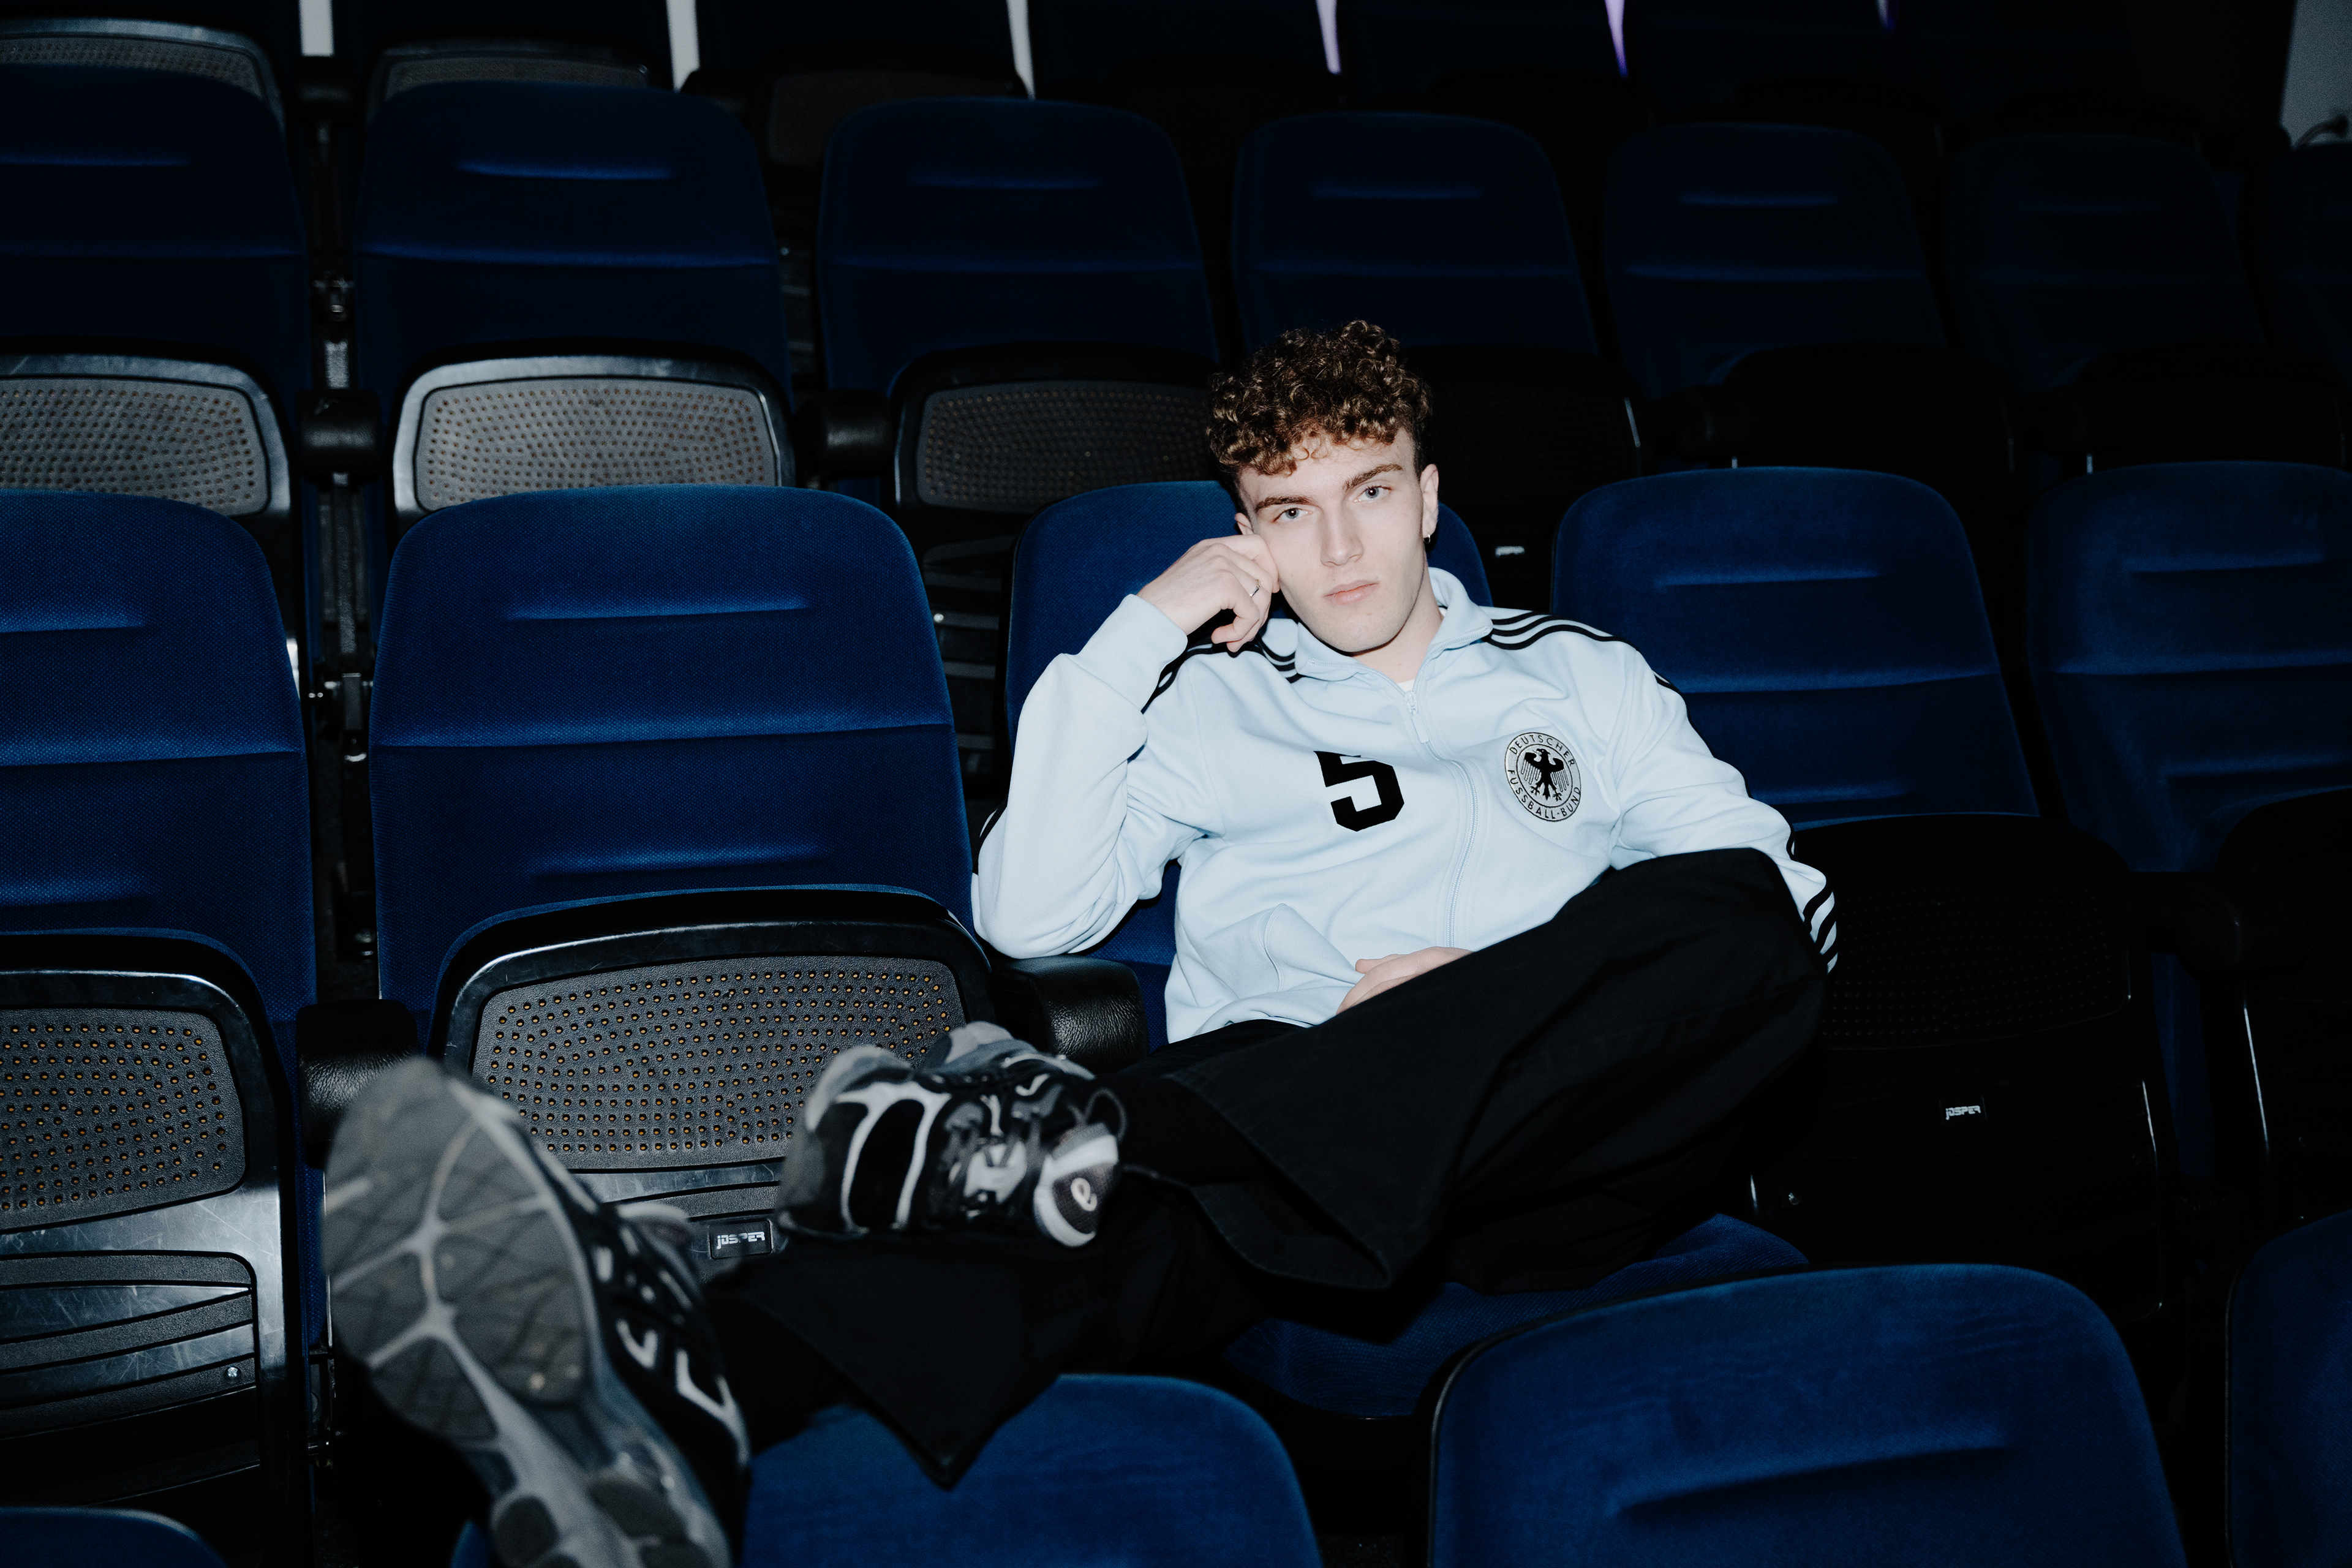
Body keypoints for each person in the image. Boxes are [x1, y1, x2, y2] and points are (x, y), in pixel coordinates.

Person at [320, 322, 1836, 1568]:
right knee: (1112, 1245)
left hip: (1561, 1148)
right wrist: (1137, 638)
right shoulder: (1213, 702)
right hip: (1282, 1165)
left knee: (1742, 914)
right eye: (1288, 512)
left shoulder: (1579, 672)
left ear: (1431, 497)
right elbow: (1027, 916)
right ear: (1246, 534)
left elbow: (1779, 900)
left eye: (1370, 492)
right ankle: (674, 1383)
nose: (1341, 546)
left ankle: (1063, 1133)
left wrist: (1474, 1000)